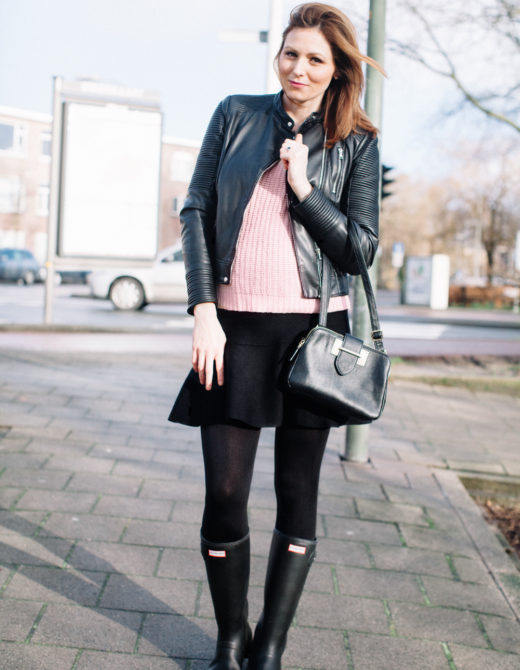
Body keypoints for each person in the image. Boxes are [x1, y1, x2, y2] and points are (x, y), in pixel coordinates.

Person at [169, 3, 384, 668]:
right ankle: (231, 638)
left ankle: (272, 644)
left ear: (336, 69)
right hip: (231, 329)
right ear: (279, 56)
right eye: (293, 53)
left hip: (312, 338)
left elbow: (359, 250)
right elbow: (198, 208)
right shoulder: (235, 114)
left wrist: (304, 187)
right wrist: (203, 309)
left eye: (316, 58)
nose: (300, 67)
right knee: (225, 492)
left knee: (298, 492)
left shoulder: (357, 143)